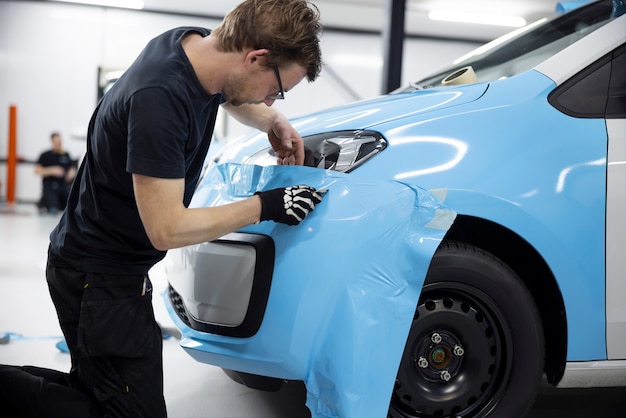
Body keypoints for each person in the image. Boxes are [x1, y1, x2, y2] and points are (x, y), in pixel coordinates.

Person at [0, 0, 326, 416]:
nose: (271, 97)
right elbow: (167, 229)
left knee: (104, 389)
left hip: (107, 268)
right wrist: (266, 205)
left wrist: (273, 120)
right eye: (277, 89)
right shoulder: (160, 100)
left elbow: (227, 91)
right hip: (98, 278)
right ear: (256, 57)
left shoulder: (190, 47)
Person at [34, 132, 77, 214]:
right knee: (53, 207)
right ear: (52, 142)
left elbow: (72, 167)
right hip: (50, 186)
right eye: (56, 142)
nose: (59, 144)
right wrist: (52, 170)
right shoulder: (45, 155)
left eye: (60, 142)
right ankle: (44, 202)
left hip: (63, 185)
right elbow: (37, 170)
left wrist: (71, 173)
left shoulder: (66, 154)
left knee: (72, 203)